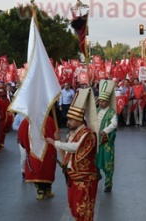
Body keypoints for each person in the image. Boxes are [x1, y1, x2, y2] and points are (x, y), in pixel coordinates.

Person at [46, 86, 98, 221]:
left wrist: (55, 143)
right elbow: (68, 151)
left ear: (79, 120)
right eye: (68, 119)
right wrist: (59, 140)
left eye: (70, 120)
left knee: (83, 211)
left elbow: (75, 148)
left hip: (84, 179)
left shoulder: (88, 134)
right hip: (72, 177)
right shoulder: (72, 133)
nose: (67, 122)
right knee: (74, 208)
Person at [18, 113, 57, 200]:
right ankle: (43, 190)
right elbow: (22, 135)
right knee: (41, 170)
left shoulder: (47, 119)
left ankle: (44, 190)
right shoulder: (48, 119)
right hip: (41, 150)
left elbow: (21, 137)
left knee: (44, 169)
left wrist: (27, 147)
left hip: (42, 150)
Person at [96, 80, 118, 193]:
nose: (101, 103)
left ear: (107, 102)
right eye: (100, 101)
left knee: (108, 162)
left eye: (103, 101)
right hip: (97, 141)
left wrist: (105, 131)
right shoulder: (96, 110)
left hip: (106, 142)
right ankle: (97, 177)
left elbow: (114, 124)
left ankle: (108, 183)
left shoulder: (111, 112)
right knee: (95, 161)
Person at [12, 112, 27, 180]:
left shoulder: (32, 114)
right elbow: (14, 125)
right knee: (24, 156)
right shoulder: (19, 115)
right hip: (22, 138)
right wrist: (22, 127)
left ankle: (31, 171)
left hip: (32, 139)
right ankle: (23, 171)